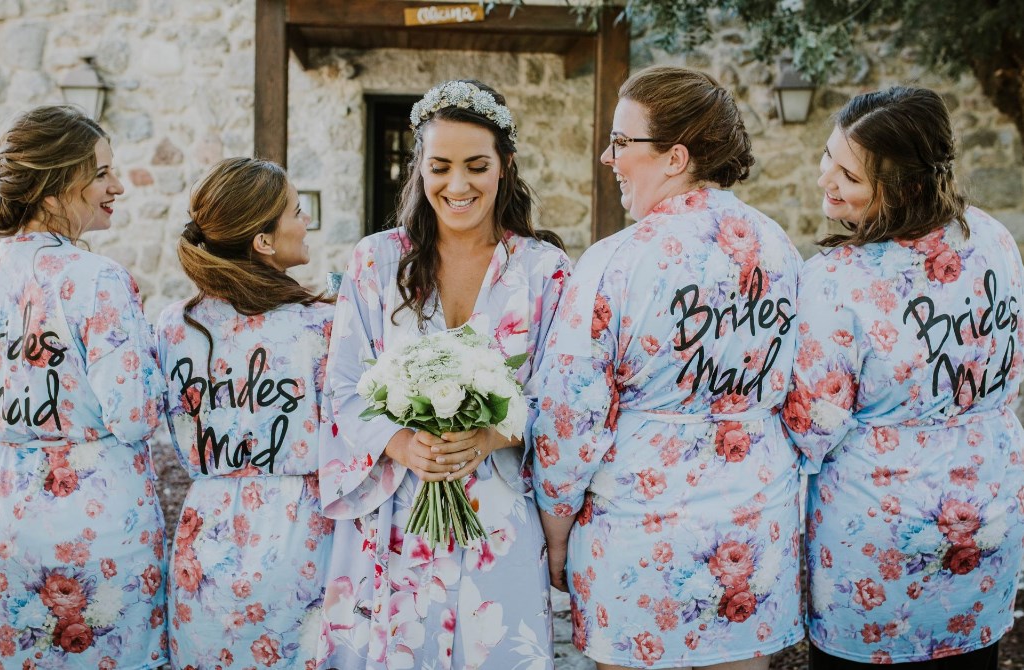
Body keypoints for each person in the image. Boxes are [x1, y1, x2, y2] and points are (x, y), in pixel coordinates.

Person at [531, 66, 804, 670]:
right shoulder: (781, 248)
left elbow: (568, 419)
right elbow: (807, 401)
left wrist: (554, 528)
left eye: (622, 142)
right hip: (754, 533)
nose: (608, 156)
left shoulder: (614, 262)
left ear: (675, 156)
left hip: (639, 542)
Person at [318, 79, 572, 669]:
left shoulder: (544, 271)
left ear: (505, 167)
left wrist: (489, 435)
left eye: (477, 166)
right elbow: (343, 386)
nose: (458, 186)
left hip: (499, 510)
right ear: (419, 168)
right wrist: (402, 444)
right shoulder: (376, 261)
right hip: (397, 509)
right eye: (441, 167)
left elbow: (561, 399)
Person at [782, 87, 1024, 669]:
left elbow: (813, 423)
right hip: (986, 517)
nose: (826, 181)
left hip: (876, 545)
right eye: (827, 158)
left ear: (907, 187)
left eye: (850, 175)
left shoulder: (835, 278)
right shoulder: (992, 238)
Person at [0, 105, 168, 667]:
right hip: (98, 523)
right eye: (102, 172)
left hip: (6, 509)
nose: (118, 186)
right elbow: (135, 414)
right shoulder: (98, 279)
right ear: (57, 188)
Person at [155, 158, 351, 668]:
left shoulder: (174, 326)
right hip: (300, 533)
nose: (305, 221)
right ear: (263, 241)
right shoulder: (322, 325)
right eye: (296, 211)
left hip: (206, 532)